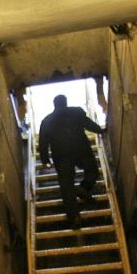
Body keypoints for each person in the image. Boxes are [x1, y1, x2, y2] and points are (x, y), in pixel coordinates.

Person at [38, 94, 106, 229]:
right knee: (92, 171)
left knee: (66, 186)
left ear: (54, 104)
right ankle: (82, 189)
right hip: (81, 150)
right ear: (65, 102)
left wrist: (45, 160)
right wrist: (101, 130)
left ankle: (74, 218)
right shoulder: (76, 112)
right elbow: (89, 124)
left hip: (61, 156)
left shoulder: (47, 121)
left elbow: (43, 143)